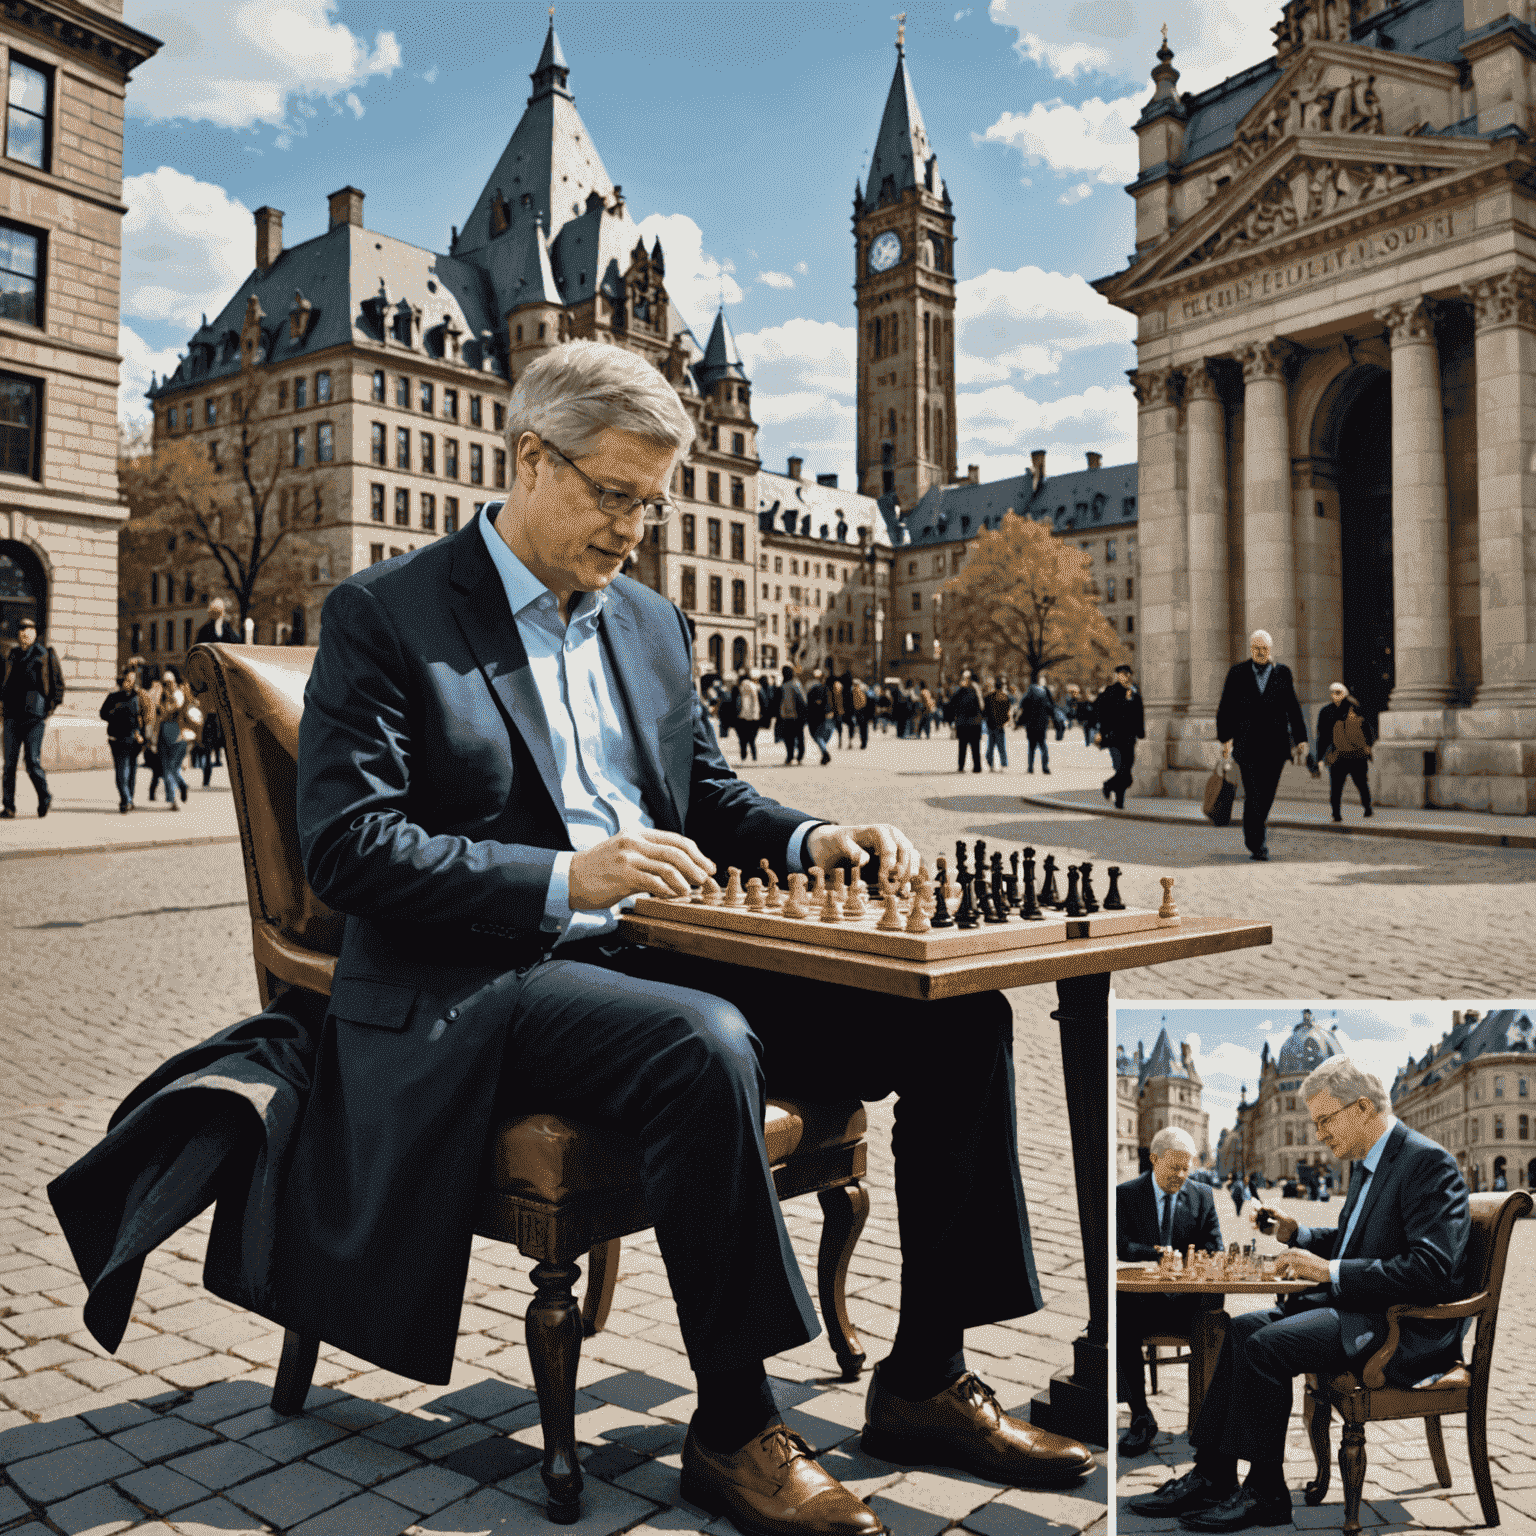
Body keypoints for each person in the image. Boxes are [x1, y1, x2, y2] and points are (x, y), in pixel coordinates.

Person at [290, 342, 1092, 1533]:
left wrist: (815, 836)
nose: (635, 529)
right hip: (488, 976)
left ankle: (924, 1377)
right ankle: (731, 1424)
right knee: (702, 1043)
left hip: (656, 954)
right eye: (613, 495)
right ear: (527, 459)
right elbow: (350, 849)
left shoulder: (651, 623)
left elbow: (709, 799)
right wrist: (566, 874)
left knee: (959, 1015)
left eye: (652, 502)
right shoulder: (388, 613)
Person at [1130, 1057, 1470, 1531]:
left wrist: (1328, 1271)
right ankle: (1213, 1474)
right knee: (1243, 1326)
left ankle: (1265, 1494)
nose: (1318, 1132)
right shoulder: (1370, 1163)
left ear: (1364, 1107)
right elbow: (1358, 1242)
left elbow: (1430, 1270)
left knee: (1267, 1346)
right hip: (1363, 1311)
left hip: (1403, 1329)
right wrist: (1298, 1234)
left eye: (1325, 1119)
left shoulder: (1426, 1162)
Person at [1116, 1128, 1223, 1459]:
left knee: (1218, 1322)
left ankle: (1202, 1416)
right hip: (1145, 1301)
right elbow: (1120, 1245)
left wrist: (1191, 1260)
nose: (1180, 1175)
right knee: (1118, 1315)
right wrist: (1155, 1253)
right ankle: (1140, 1414)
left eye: (1186, 1168)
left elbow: (1214, 1245)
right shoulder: (1126, 1194)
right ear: (1153, 1159)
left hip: (1186, 1301)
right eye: (1173, 1167)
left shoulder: (1202, 1194)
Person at [1216, 630, 1308, 862]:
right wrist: (1225, 738)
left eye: (1264, 648)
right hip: (1247, 746)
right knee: (1254, 794)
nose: (1260, 652)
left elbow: (1293, 708)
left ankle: (1254, 835)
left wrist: (1301, 739)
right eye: (1256, 648)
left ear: (1270, 649)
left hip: (1276, 747)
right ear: (1250, 649)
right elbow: (1226, 707)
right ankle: (1257, 843)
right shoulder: (1237, 673)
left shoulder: (1283, 673)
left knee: (1266, 795)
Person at [1, 617, 64, 819]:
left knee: (32, 762)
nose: (24, 633)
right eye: (20, 629)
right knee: (9, 764)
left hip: (34, 717)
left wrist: (49, 709)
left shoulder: (44, 654)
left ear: (35, 633)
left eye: (28, 629)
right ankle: (9, 806)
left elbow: (58, 685)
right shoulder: (12, 654)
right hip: (11, 716)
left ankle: (44, 796)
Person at [1315, 682, 1374, 822]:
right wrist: (1319, 757)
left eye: (1337, 692)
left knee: (1360, 784)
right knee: (1337, 786)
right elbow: (1322, 736)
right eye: (1333, 692)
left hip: (1355, 755)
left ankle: (1367, 807)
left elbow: (1366, 731)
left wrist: (1368, 747)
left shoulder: (1355, 709)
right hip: (1339, 755)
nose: (1334, 695)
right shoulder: (1327, 711)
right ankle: (1336, 813)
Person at [150, 664, 201, 811]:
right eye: (164, 683)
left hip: (178, 735)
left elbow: (170, 711)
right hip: (163, 735)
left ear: (175, 681)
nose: (167, 685)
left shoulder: (180, 694)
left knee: (173, 768)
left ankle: (182, 786)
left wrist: (167, 700)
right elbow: (156, 716)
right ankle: (172, 800)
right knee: (167, 769)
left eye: (169, 683)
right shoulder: (161, 695)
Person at [1092, 664, 1144, 809]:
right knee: (1121, 769)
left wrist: (1140, 732)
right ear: (1117, 676)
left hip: (1129, 737)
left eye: (1127, 674)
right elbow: (1101, 713)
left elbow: (1139, 713)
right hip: (1114, 737)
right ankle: (1119, 800)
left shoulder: (1134, 693)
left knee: (1127, 773)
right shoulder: (1110, 692)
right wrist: (1100, 733)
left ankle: (1108, 785)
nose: (1125, 676)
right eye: (1121, 674)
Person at [100, 665, 145, 813]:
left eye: (132, 680)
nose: (130, 683)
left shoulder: (138, 697)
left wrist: (143, 734)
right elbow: (103, 713)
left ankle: (129, 799)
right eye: (127, 679)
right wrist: (117, 713)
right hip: (118, 738)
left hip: (134, 739)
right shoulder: (113, 697)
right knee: (121, 772)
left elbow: (147, 715)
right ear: (122, 680)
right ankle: (125, 799)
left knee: (132, 770)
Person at [1017, 678, 1054, 774]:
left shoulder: (1028, 696)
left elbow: (1023, 710)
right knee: (1043, 745)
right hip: (1042, 724)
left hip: (1031, 725)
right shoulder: (1045, 695)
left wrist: (1019, 723)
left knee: (1031, 746)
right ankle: (1045, 767)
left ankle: (1030, 768)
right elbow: (1051, 709)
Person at [775, 664, 807, 766]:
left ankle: (790, 756)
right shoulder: (796, 684)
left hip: (788, 716)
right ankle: (799, 756)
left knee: (789, 738)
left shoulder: (786, 685)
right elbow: (803, 700)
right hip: (797, 716)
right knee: (799, 736)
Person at [953, 668, 983, 773]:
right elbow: (982, 707)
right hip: (975, 723)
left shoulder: (960, 691)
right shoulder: (976, 690)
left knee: (962, 746)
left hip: (962, 723)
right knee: (975, 747)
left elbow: (953, 705)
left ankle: (961, 767)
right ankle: (977, 767)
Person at [731, 670, 762, 763]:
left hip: (741, 716)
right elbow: (762, 701)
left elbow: (732, 702)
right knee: (752, 738)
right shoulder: (755, 687)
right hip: (754, 716)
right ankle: (754, 756)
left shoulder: (737, 688)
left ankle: (743, 755)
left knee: (742, 738)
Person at [981, 676, 1010, 771]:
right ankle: (1003, 765)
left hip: (991, 724)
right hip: (1000, 725)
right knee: (1001, 746)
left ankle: (990, 764)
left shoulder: (988, 697)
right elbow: (1007, 712)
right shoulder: (1005, 697)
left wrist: (987, 720)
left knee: (991, 745)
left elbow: (984, 711)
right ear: (1002, 687)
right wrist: (1004, 721)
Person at [806, 668, 833, 766]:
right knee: (822, 736)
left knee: (817, 736)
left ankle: (825, 752)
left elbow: (808, 703)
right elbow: (830, 702)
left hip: (814, 717)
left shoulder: (811, 689)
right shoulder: (826, 689)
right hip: (825, 716)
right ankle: (824, 751)